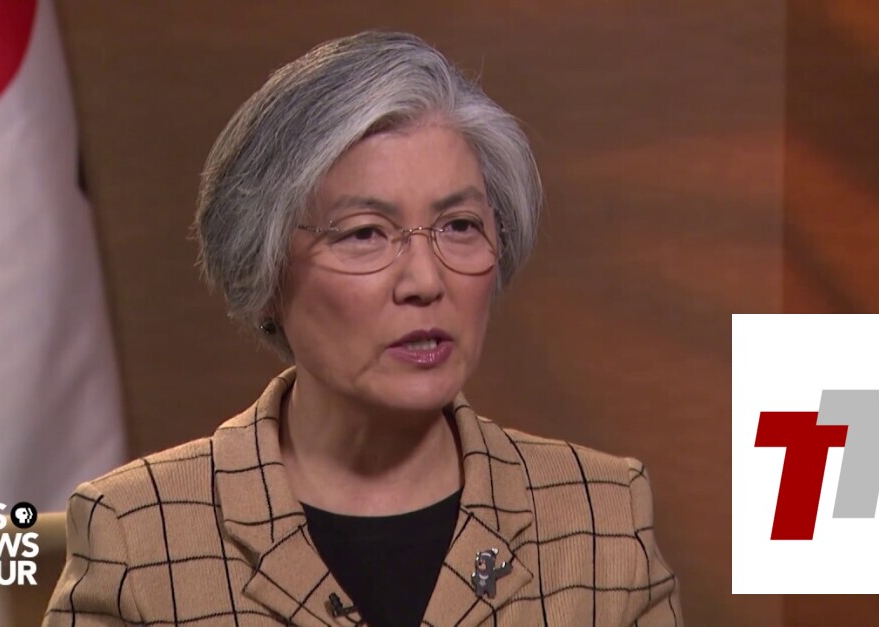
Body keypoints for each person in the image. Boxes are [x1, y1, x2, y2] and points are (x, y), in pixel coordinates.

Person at [43, 30, 681, 626]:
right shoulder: (138, 536)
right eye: (365, 234)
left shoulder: (600, 518)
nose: (425, 281)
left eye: (460, 226)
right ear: (265, 275)